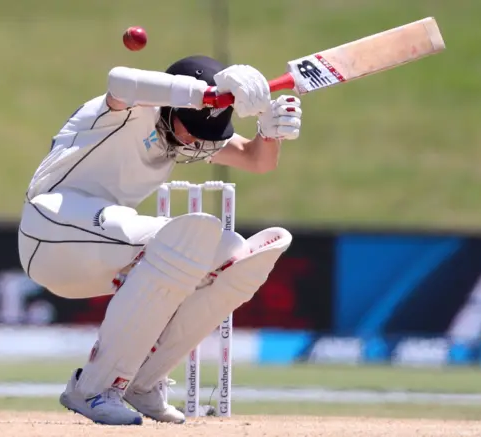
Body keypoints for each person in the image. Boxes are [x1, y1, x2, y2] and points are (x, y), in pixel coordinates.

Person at [17, 55, 301, 425]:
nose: (196, 142)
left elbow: (257, 161)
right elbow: (119, 80)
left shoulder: (182, 134)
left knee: (235, 254)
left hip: (97, 251)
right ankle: (92, 389)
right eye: (192, 128)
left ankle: (142, 380)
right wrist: (205, 96)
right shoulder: (129, 110)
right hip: (49, 229)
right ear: (173, 106)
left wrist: (269, 131)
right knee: (190, 234)